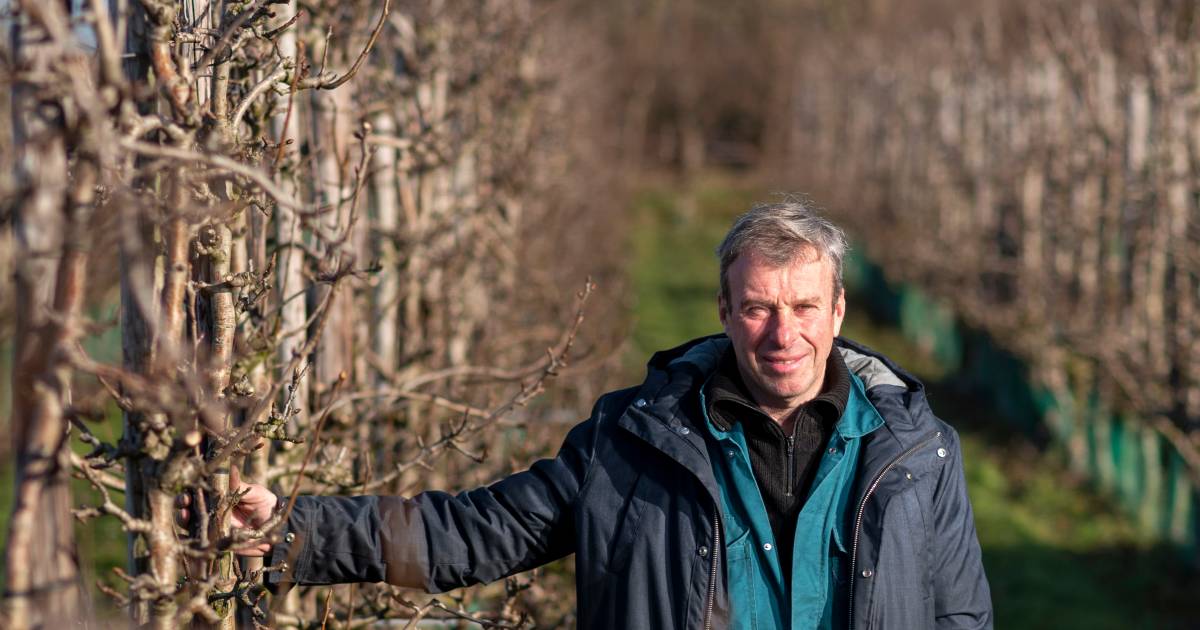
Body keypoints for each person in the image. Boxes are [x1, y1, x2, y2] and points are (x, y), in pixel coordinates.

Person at [231, 201, 993, 629]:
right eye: (758, 308)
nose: (781, 333)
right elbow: (472, 535)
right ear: (725, 312)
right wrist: (293, 530)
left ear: (838, 312)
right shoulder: (632, 444)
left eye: (802, 307)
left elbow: (961, 616)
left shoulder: (917, 455)